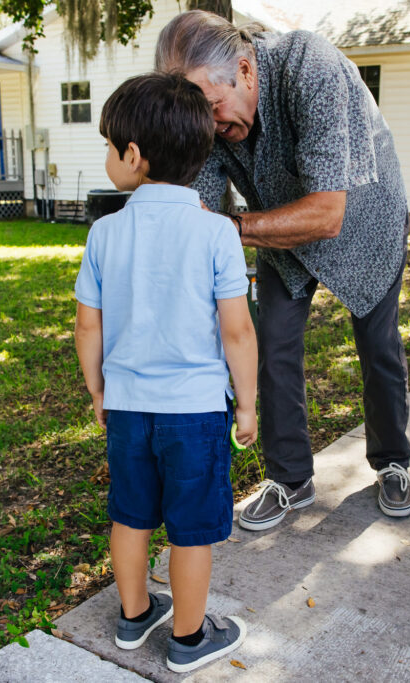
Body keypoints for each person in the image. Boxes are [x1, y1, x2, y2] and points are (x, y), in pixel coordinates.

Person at [155, 10, 410, 531]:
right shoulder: (203, 117)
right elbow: (195, 214)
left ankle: (392, 464)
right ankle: (290, 478)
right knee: (270, 345)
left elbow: (326, 213)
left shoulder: (309, 66)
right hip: (275, 228)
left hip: (363, 216)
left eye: (212, 107)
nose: (206, 127)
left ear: (246, 71)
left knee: (378, 346)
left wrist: (228, 228)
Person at [74, 72, 257, 673]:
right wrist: (248, 403)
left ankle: (132, 617)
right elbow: (237, 331)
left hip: (128, 407)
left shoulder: (104, 233)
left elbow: (87, 327)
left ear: (133, 155)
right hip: (197, 411)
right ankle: (188, 637)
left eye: (108, 146)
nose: (107, 156)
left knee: (130, 514)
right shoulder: (216, 233)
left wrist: (98, 389)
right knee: (190, 529)